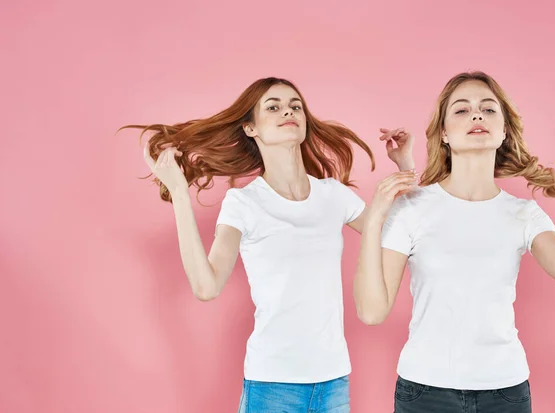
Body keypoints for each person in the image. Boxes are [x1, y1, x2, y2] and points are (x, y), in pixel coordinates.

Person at [121, 77, 411, 412]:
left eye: (295, 106)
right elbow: (206, 285)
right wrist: (180, 194)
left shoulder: (333, 195)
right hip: (272, 385)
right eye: (273, 107)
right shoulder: (243, 203)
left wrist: (405, 166)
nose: (288, 110)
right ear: (250, 129)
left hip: (333, 382)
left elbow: (399, 234)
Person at [354, 71, 555, 413]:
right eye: (461, 110)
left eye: (488, 109)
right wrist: (379, 214)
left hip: (505, 393)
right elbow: (372, 311)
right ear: (444, 133)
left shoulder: (524, 213)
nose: (476, 115)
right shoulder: (411, 208)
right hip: (425, 393)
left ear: (503, 132)